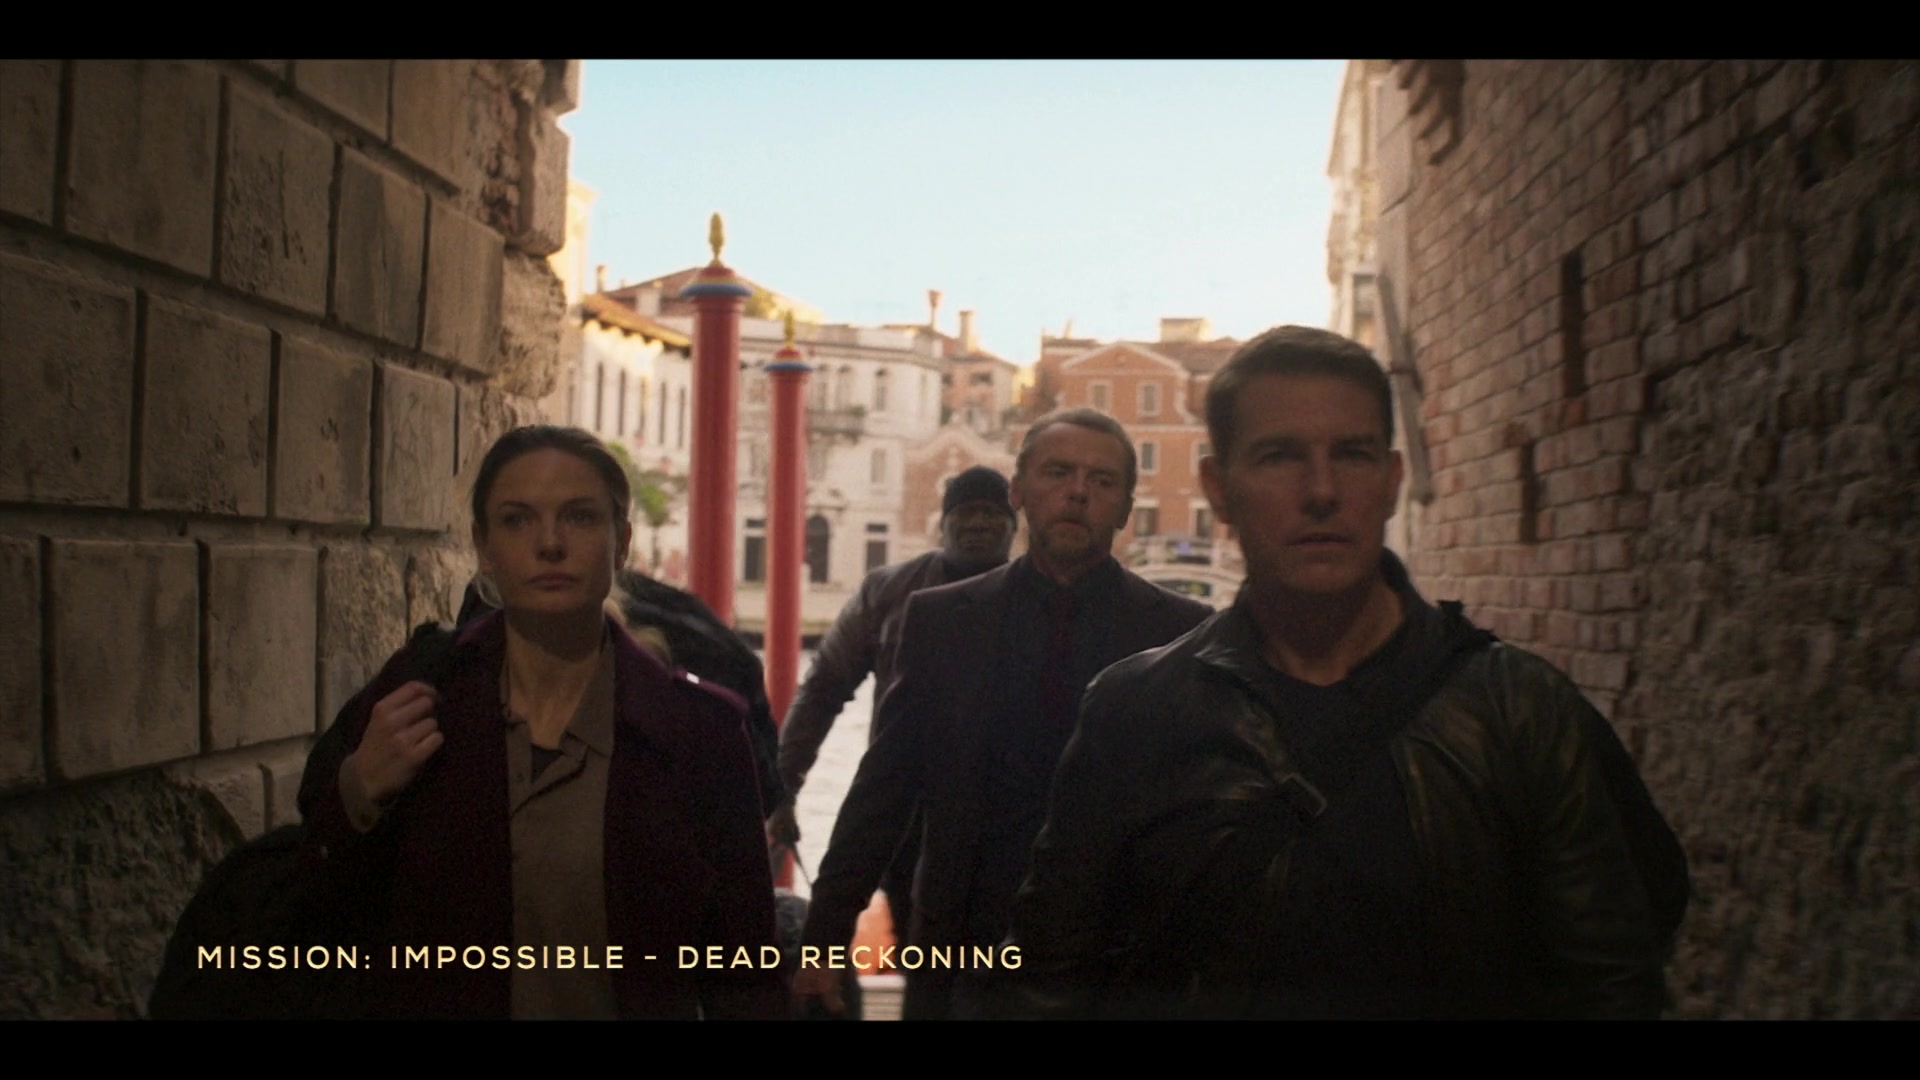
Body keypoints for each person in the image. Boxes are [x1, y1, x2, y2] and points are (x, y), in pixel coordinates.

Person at [1005, 326, 1689, 1020]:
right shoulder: (1136, 714)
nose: (1322, 491)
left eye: (1352, 455)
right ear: (1219, 488)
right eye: (1280, 456)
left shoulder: (1520, 712)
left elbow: (1611, 980)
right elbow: (1048, 976)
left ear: (1391, 482)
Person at [297, 424, 784, 1020]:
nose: (549, 544)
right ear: (483, 546)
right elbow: (320, 915)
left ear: (621, 542)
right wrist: (359, 791)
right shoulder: (422, 694)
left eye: (579, 517)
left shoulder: (698, 733)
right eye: (517, 520)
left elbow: (745, 974)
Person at [792, 409, 1213, 1020]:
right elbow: (884, 789)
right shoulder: (939, 620)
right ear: (1019, 492)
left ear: (1126, 507)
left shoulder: (1181, 632)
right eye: (1058, 473)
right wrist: (826, 936)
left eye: (1101, 480)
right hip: (962, 944)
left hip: (1117, 960)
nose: (1077, 492)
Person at [769, 465, 1018, 939]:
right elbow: (824, 688)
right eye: (966, 512)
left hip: (1004, 812)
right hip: (904, 804)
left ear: (1013, 526)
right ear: (942, 524)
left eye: (992, 513)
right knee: (915, 942)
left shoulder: (1037, 597)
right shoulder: (887, 591)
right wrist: (784, 784)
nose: (978, 524)